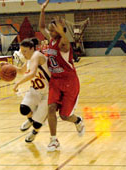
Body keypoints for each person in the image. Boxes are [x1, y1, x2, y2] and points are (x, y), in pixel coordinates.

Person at [39, 0, 85, 151]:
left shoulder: (63, 44)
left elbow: (64, 39)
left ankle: (77, 120)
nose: (50, 32)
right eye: (51, 30)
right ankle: (53, 140)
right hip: (56, 81)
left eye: (53, 30)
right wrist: (42, 11)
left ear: (59, 31)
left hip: (70, 82)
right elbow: (41, 27)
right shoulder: (52, 40)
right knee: (51, 108)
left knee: (65, 116)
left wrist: (61, 31)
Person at [0, 38, 51, 142]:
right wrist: (6, 65)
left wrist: (18, 83)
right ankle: (30, 120)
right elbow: (21, 71)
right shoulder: (29, 59)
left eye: (25, 51)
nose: (23, 54)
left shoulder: (37, 56)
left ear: (32, 49)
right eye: (22, 51)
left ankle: (34, 132)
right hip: (35, 90)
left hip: (48, 92)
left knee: (37, 123)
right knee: (24, 109)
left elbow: (31, 74)